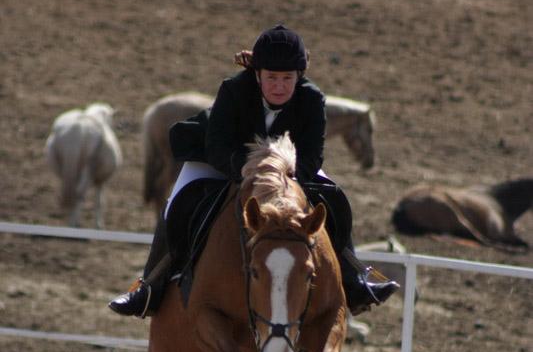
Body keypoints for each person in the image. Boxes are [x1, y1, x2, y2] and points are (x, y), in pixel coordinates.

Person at [109, 24, 398, 318]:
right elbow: (217, 147)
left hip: (287, 171)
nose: (279, 86)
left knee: (335, 198)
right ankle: (148, 286)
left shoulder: (312, 98)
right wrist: (248, 170)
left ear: (299, 76)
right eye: (271, 77)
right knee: (178, 203)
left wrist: (282, 177)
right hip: (222, 161)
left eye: (287, 78)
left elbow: (313, 156)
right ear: (257, 75)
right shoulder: (234, 90)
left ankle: (357, 278)